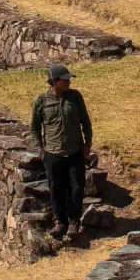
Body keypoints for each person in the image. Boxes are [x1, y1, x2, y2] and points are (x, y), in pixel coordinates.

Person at [29, 64, 93, 239]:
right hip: (52, 154)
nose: (68, 82)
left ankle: (74, 222)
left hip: (75, 152)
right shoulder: (41, 101)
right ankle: (60, 221)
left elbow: (85, 122)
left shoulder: (75, 97)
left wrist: (87, 144)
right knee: (56, 188)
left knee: (76, 188)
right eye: (65, 79)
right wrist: (41, 151)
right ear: (55, 82)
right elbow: (34, 128)